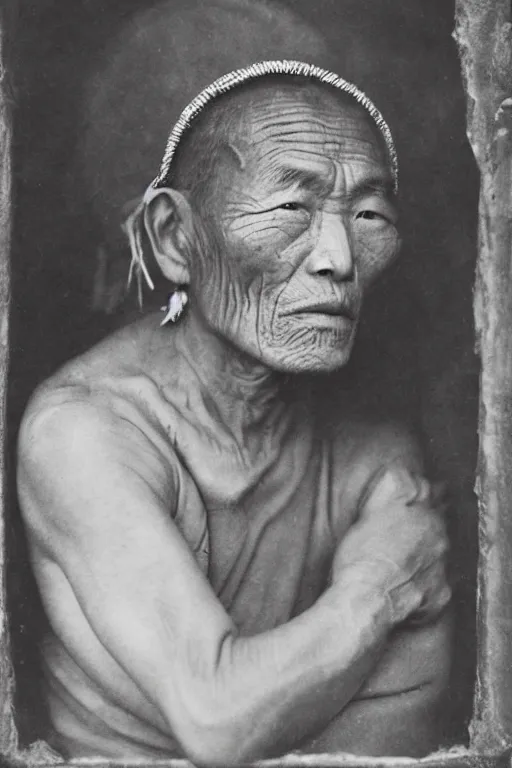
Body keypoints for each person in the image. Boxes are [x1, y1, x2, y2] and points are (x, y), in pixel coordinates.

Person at [17, 61, 452, 764]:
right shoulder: (84, 433)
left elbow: (402, 724)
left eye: (369, 216)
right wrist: (377, 591)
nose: (339, 259)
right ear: (175, 238)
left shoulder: (372, 456)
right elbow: (218, 719)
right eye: (290, 210)